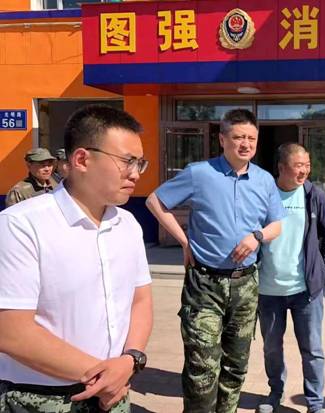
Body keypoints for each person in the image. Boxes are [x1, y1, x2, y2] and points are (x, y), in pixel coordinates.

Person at [0, 104, 153, 412]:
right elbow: (11, 331)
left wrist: (131, 359)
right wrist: (103, 375)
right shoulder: (21, 225)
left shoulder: (127, 225)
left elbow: (140, 300)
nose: (136, 173)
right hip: (40, 398)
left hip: (115, 390)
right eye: (127, 161)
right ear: (82, 159)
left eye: (140, 163)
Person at [145, 109, 285, 413]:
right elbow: (155, 201)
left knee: (236, 365)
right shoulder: (200, 173)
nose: (245, 144)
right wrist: (184, 241)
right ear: (222, 139)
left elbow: (277, 224)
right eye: (238, 137)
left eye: (251, 138)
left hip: (245, 285)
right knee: (202, 367)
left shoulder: (264, 180)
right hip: (204, 284)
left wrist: (257, 236)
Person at [257, 143, 325, 413]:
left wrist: (322, 271)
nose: (304, 171)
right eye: (298, 165)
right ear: (281, 167)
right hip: (269, 290)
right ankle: (275, 393)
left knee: (312, 349)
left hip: (306, 291)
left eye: (307, 165)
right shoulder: (264, 195)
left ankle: (315, 403)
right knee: (271, 347)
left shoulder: (314, 195)